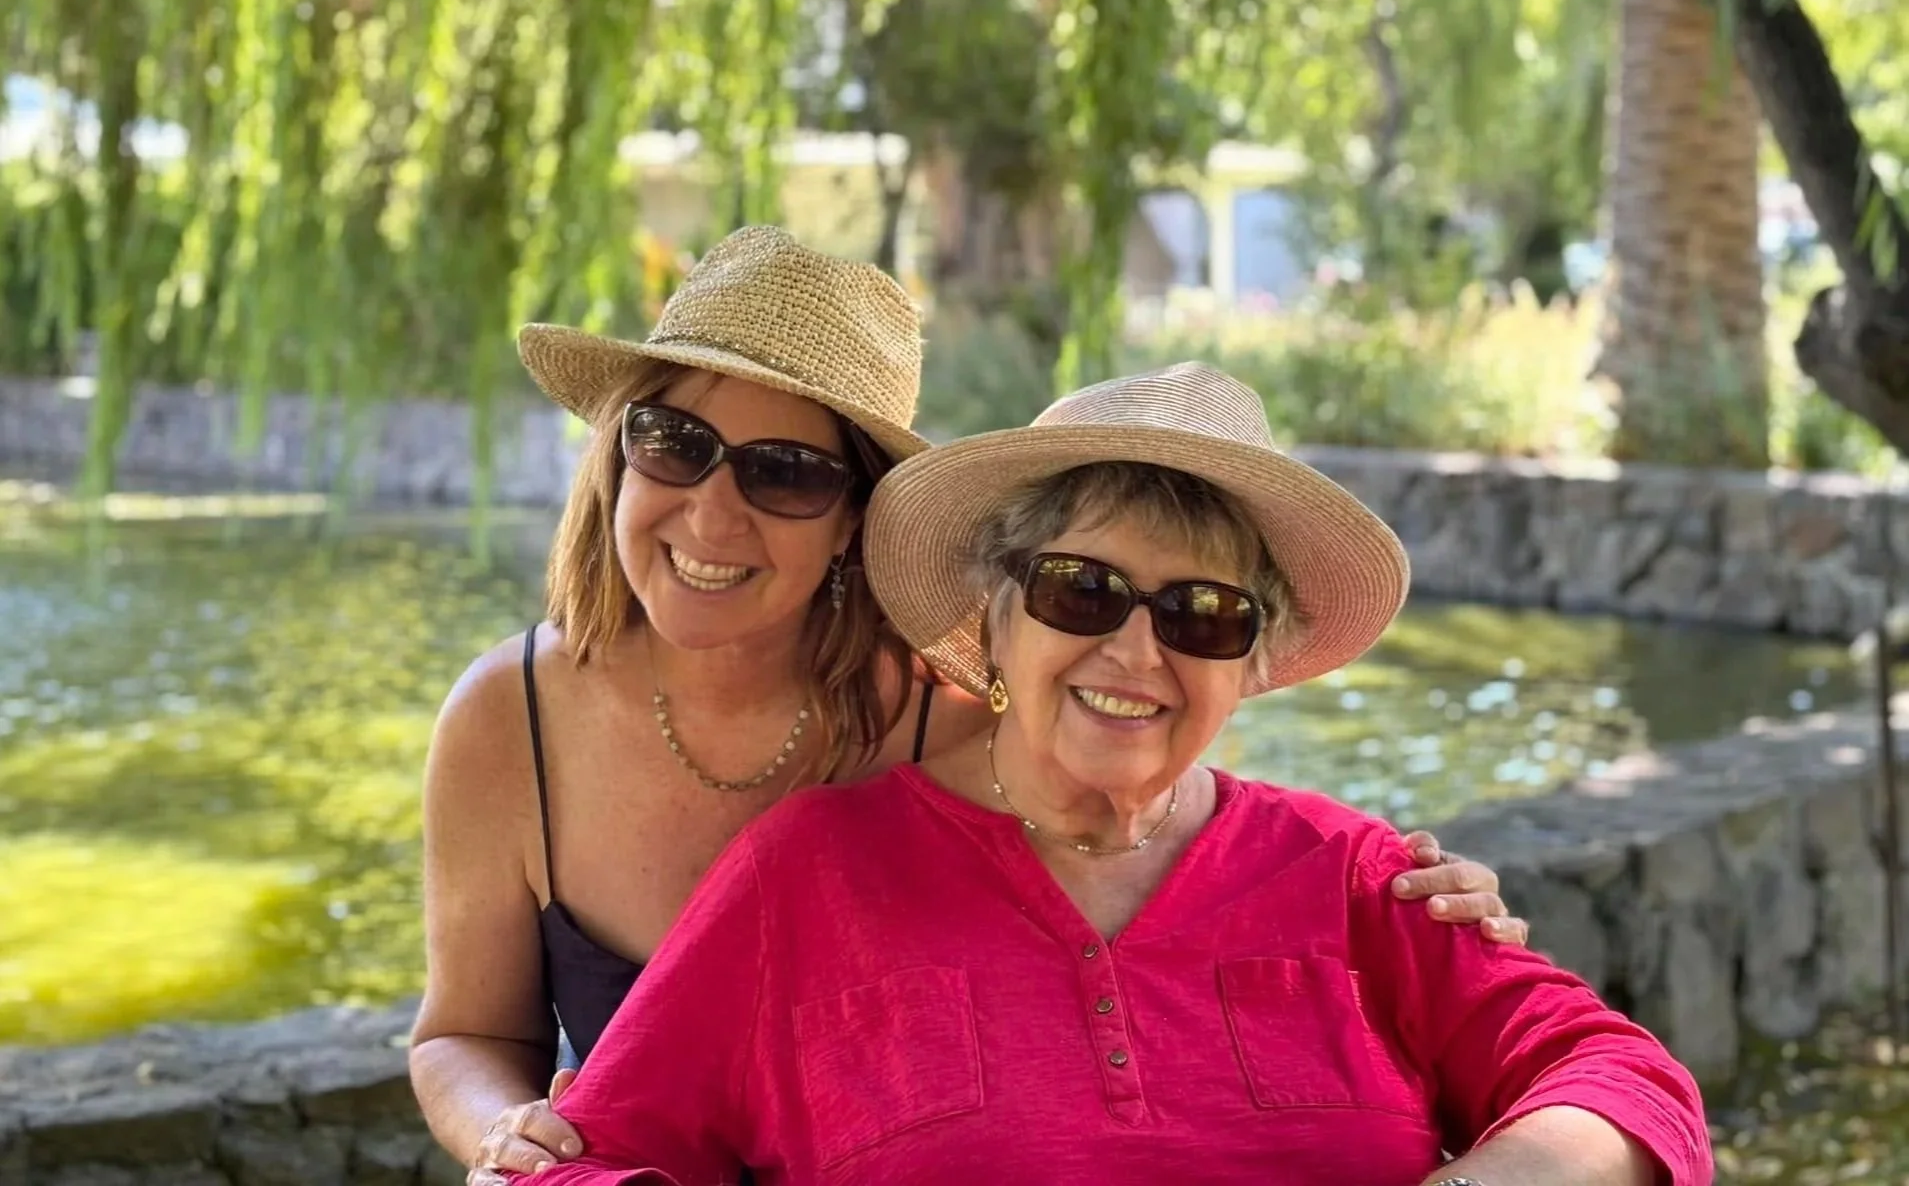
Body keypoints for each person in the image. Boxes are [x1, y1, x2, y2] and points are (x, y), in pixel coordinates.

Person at [409, 229, 1527, 1184]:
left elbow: (1139, 758)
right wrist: (514, 1142)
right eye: (673, 445)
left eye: (786, 471)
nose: (711, 513)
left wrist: (1394, 906)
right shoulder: (512, 716)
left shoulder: (957, 721)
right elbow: (464, 1030)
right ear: (615, 457)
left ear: (853, 516)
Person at [521, 362, 1711, 1186]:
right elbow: (586, 1159)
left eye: (1202, 614)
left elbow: (1625, 1081)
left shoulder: (1361, 877)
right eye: (1080, 592)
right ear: (993, 619)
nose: (1135, 653)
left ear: (1251, 664)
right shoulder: (806, 874)